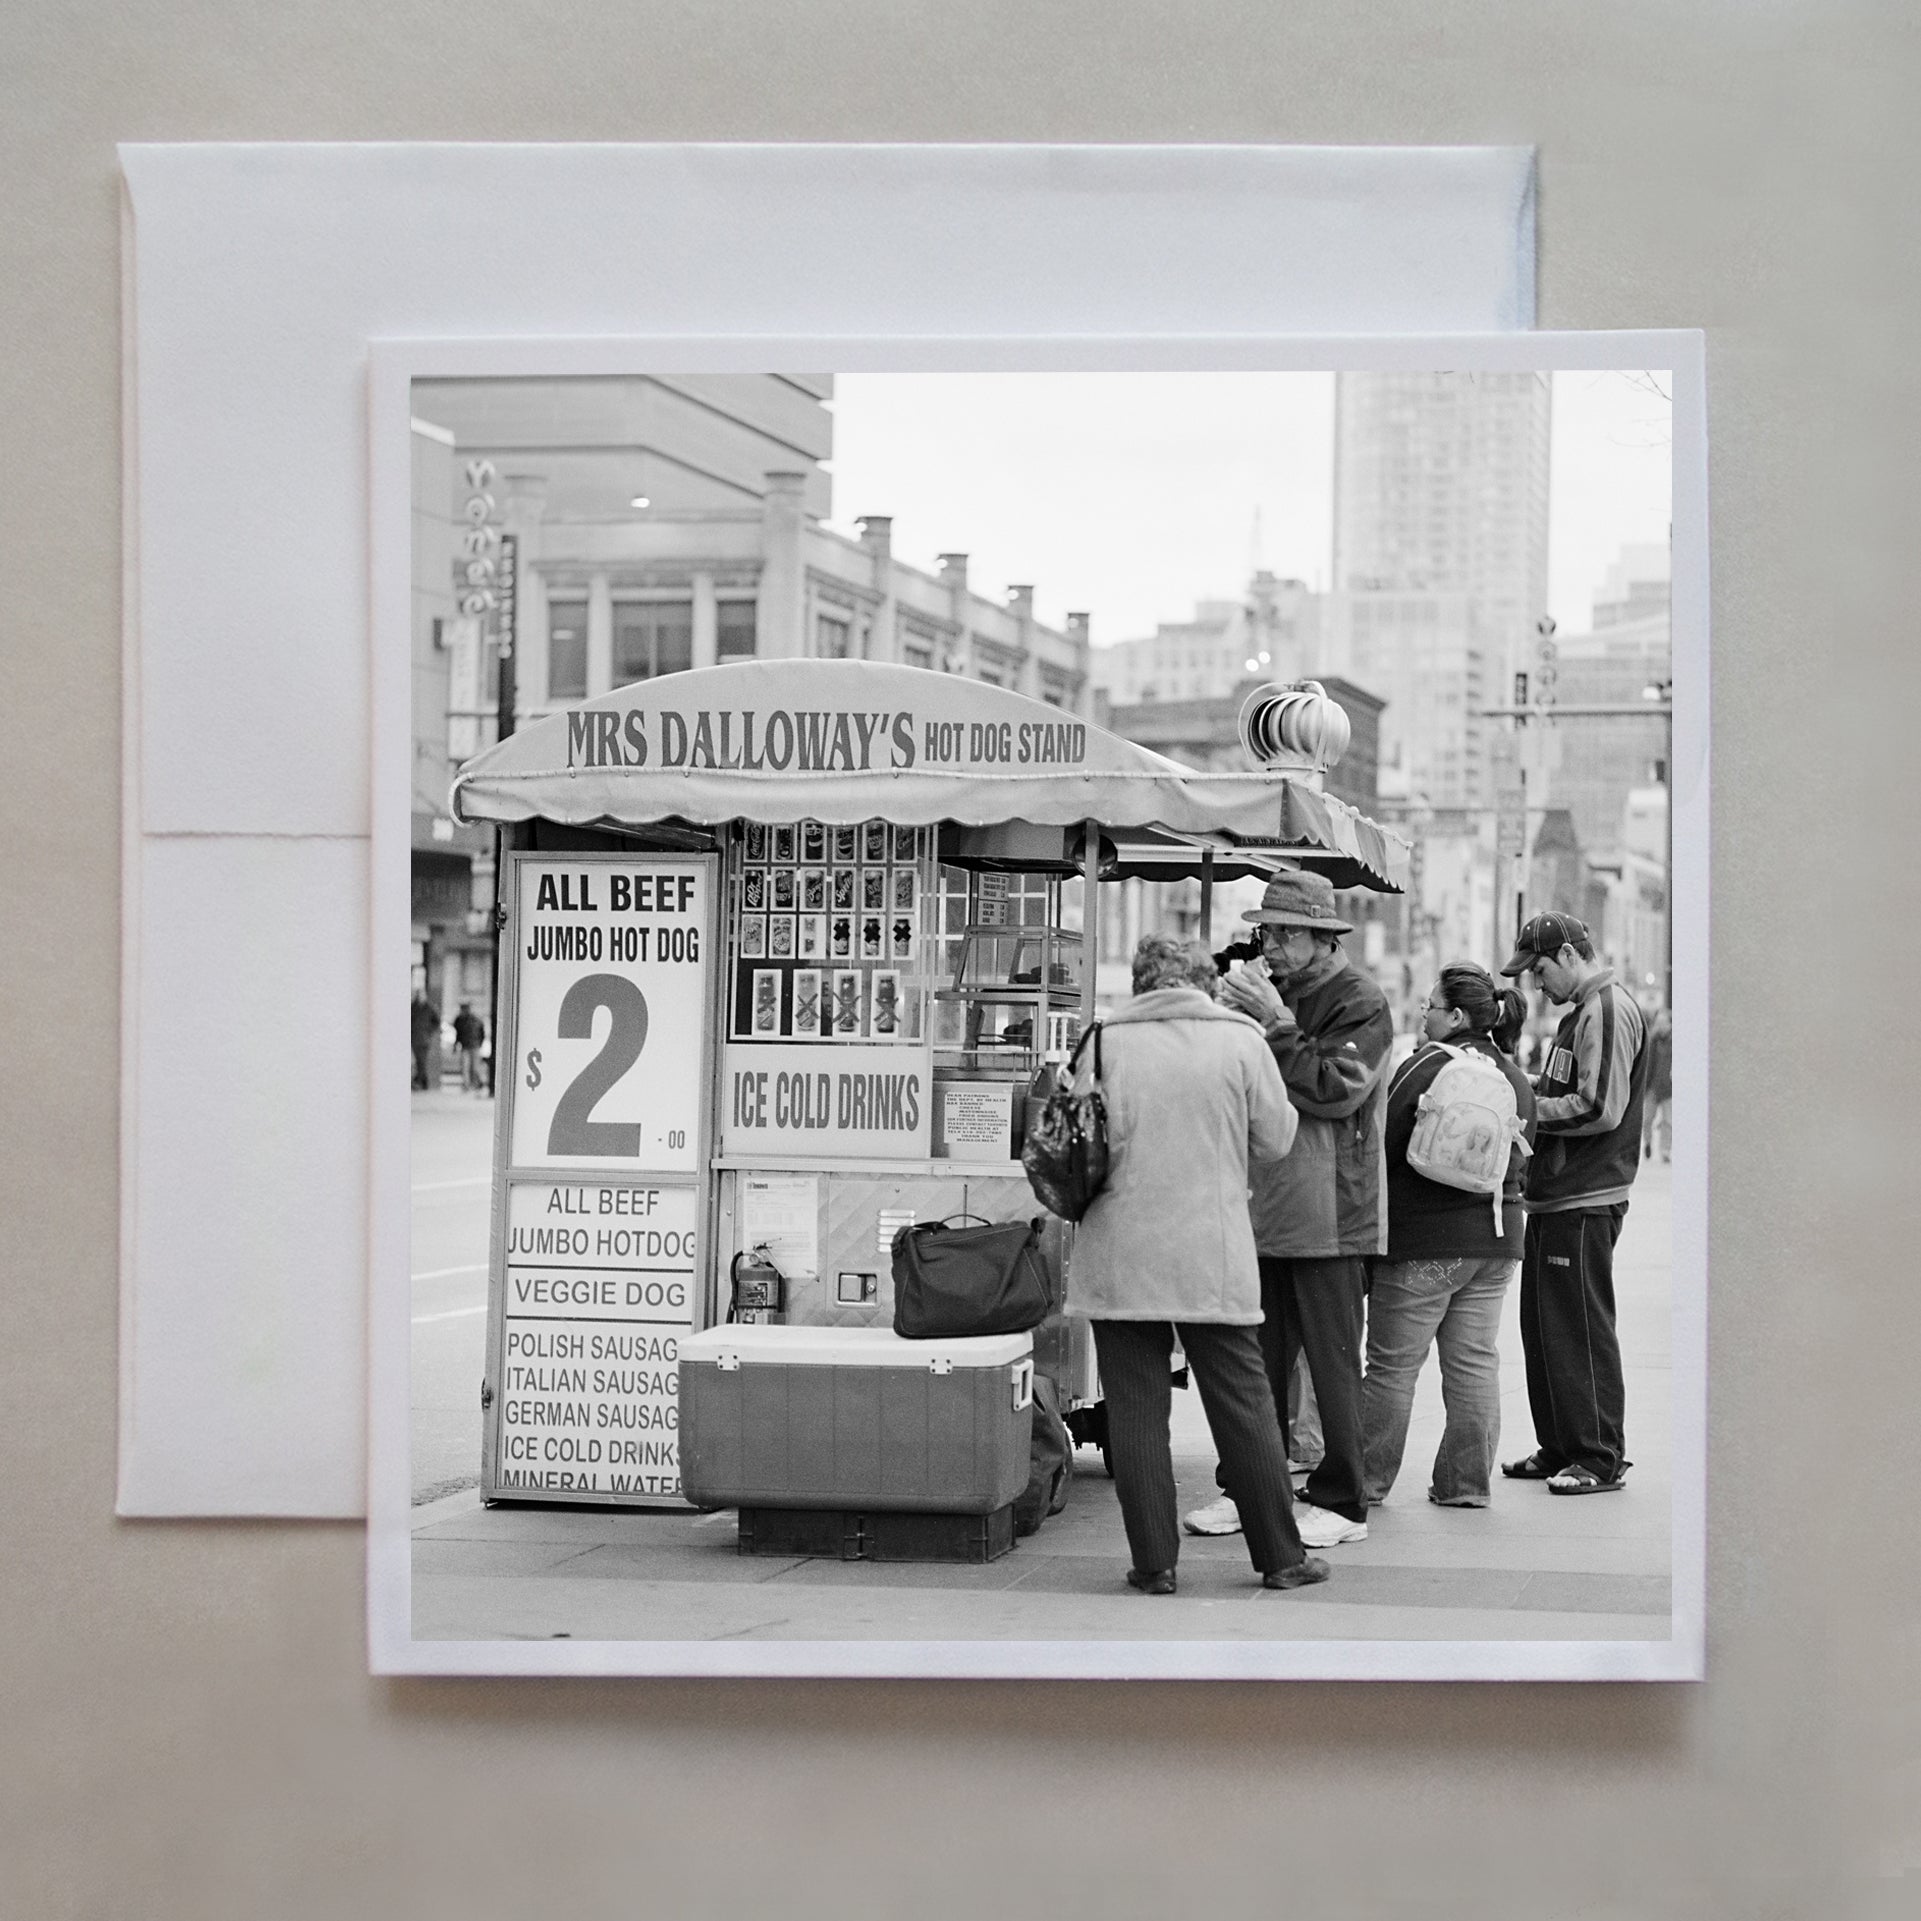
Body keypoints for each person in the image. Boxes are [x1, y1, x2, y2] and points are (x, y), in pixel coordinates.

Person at [1068, 934, 1329, 1596]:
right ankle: (1279, 1556)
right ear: (1200, 982)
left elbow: (1071, 1135)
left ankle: (1153, 1562)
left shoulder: (1100, 1041)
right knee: (1243, 1404)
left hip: (1120, 1252)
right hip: (1210, 1252)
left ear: (1138, 981)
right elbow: (1274, 1140)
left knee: (1133, 1412)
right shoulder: (1239, 1039)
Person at [1183, 868, 1395, 1550]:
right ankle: (1248, 1486)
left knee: (1334, 1365)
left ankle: (1342, 1499)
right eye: (1262, 932)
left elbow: (1335, 1088)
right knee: (1255, 1364)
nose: (1266, 945)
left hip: (1332, 1213)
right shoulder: (1266, 993)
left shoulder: (1359, 999)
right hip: (1263, 1203)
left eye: (1279, 933)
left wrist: (1272, 1022)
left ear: (1319, 935)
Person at [1361, 963, 1537, 1509]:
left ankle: (1364, 1482)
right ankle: (1465, 1485)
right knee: (1475, 1361)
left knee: (1392, 1366)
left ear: (1456, 1016)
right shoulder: (1513, 1078)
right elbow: (1523, 1161)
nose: (1421, 1013)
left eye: (1430, 1006)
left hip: (1424, 1245)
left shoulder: (1427, 1066)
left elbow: (1380, 1146)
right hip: (1496, 1241)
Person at [1498, 913, 1649, 1495]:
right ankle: (1560, 1445)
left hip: (1587, 1196)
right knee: (1544, 1327)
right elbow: (1571, 1092)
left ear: (1566, 954)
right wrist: (1524, 1085)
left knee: (1580, 1327)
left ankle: (1597, 1455)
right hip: (1558, 1196)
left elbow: (1600, 1108)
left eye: (1539, 970)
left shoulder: (1606, 1009)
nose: (1536, 985)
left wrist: (1526, 1112)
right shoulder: (1580, 1014)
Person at [1642, 1005, 1672, 1161]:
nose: (1660, 1026)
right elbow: (1647, 1065)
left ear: (1670, 1024)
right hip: (1652, 1086)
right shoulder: (1652, 1041)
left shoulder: (1675, 1042)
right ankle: (1647, 1142)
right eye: (1658, 1022)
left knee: (1668, 1121)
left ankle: (1665, 1150)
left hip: (1669, 1088)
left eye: (1663, 1022)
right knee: (1647, 1119)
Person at [452, 1001, 487, 1093]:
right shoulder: (460, 1020)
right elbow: (458, 1034)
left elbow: (482, 1033)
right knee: (466, 1066)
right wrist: (456, 1045)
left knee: (474, 1067)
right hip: (467, 1046)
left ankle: (475, 1084)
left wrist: (480, 1044)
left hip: (474, 1046)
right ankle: (467, 1084)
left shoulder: (475, 1020)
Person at [409, 987, 439, 1090]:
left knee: (421, 1061)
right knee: (419, 1061)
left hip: (424, 1039)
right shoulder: (413, 1007)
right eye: (417, 995)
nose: (418, 997)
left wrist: (429, 1030)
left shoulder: (429, 1008)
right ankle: (422, 1082)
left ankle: (421, 1081)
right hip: (414, 1038)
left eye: (420, 995)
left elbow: (436, 1021)